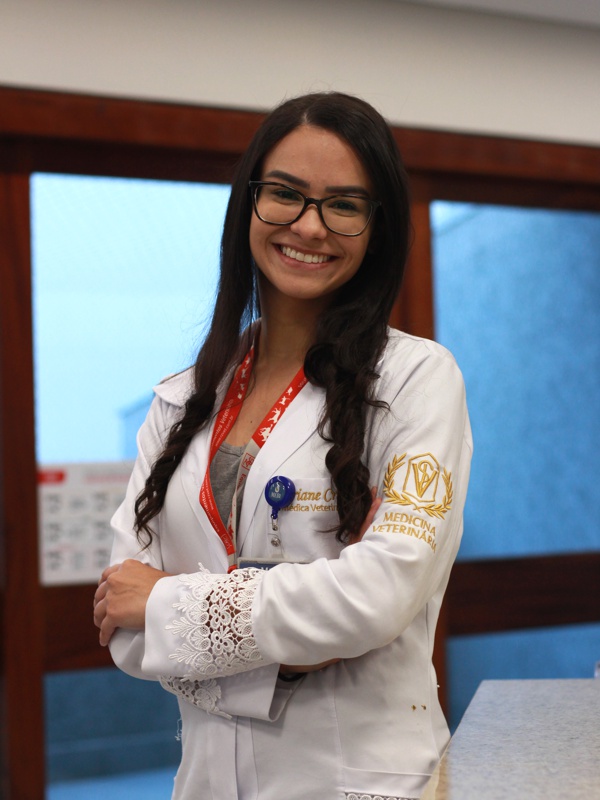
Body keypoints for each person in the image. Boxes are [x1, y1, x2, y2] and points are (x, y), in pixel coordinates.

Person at [93, 91, 472, 800]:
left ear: (376, 228)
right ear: (250, 203)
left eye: (344, 204)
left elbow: (379, 595)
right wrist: (291, 652)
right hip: (207, 782)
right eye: (286, 194)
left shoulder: (416, 380)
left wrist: (171, 610)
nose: (309, 225)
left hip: (363, 781)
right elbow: (121, 619)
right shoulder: (179, 402)